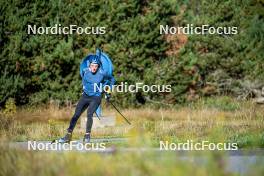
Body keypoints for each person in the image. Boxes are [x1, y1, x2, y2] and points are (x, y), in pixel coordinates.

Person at [58, 55, 115, 143]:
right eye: (92, 65)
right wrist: (84, 88)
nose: (94, 68)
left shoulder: (102, 73)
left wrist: (108, 92)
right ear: (89, 65)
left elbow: (112, 79)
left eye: (96, 66)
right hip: (85, 96)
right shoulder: (85, 71)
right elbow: (84, 81)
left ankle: (87, 135)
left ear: (98, 66)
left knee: (89, 114)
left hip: (96, 97)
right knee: (76, 115)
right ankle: (68, 136)